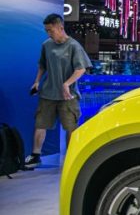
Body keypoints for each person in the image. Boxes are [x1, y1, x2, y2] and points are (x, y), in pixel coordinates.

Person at [25, 13, 92, 168]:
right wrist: (36, 82)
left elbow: (81, 69)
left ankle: (70, 157)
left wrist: (67, 83)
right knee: (40, 124)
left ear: (60, 28)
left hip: (68, 96)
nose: (49, 33)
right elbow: (42, 65)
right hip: (48, 93)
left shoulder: (74, 46)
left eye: (51, 30)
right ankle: (35, 155)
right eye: (47, 30)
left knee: (70, 127)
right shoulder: (46, 45)